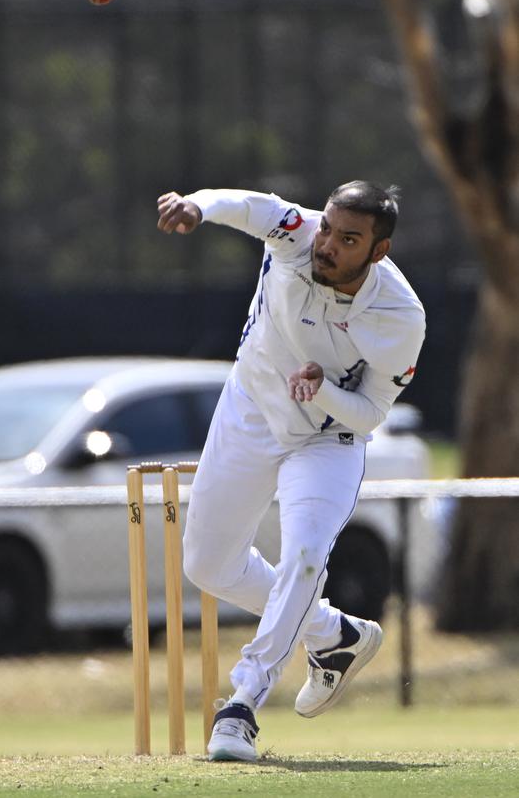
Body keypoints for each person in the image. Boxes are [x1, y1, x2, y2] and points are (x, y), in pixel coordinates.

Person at [157, 182, 425, 762]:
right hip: (250, 410)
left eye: (347, 239)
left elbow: (373, 411)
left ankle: (242, 706)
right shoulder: (298, 236)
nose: (326, 244)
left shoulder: (400, 316)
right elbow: (250, 207)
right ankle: (334, 636)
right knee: (207, 565)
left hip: (327, 440)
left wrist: (323, 389)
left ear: (377, 252)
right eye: (327, 226)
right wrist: (199, 207)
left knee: (305, 555)